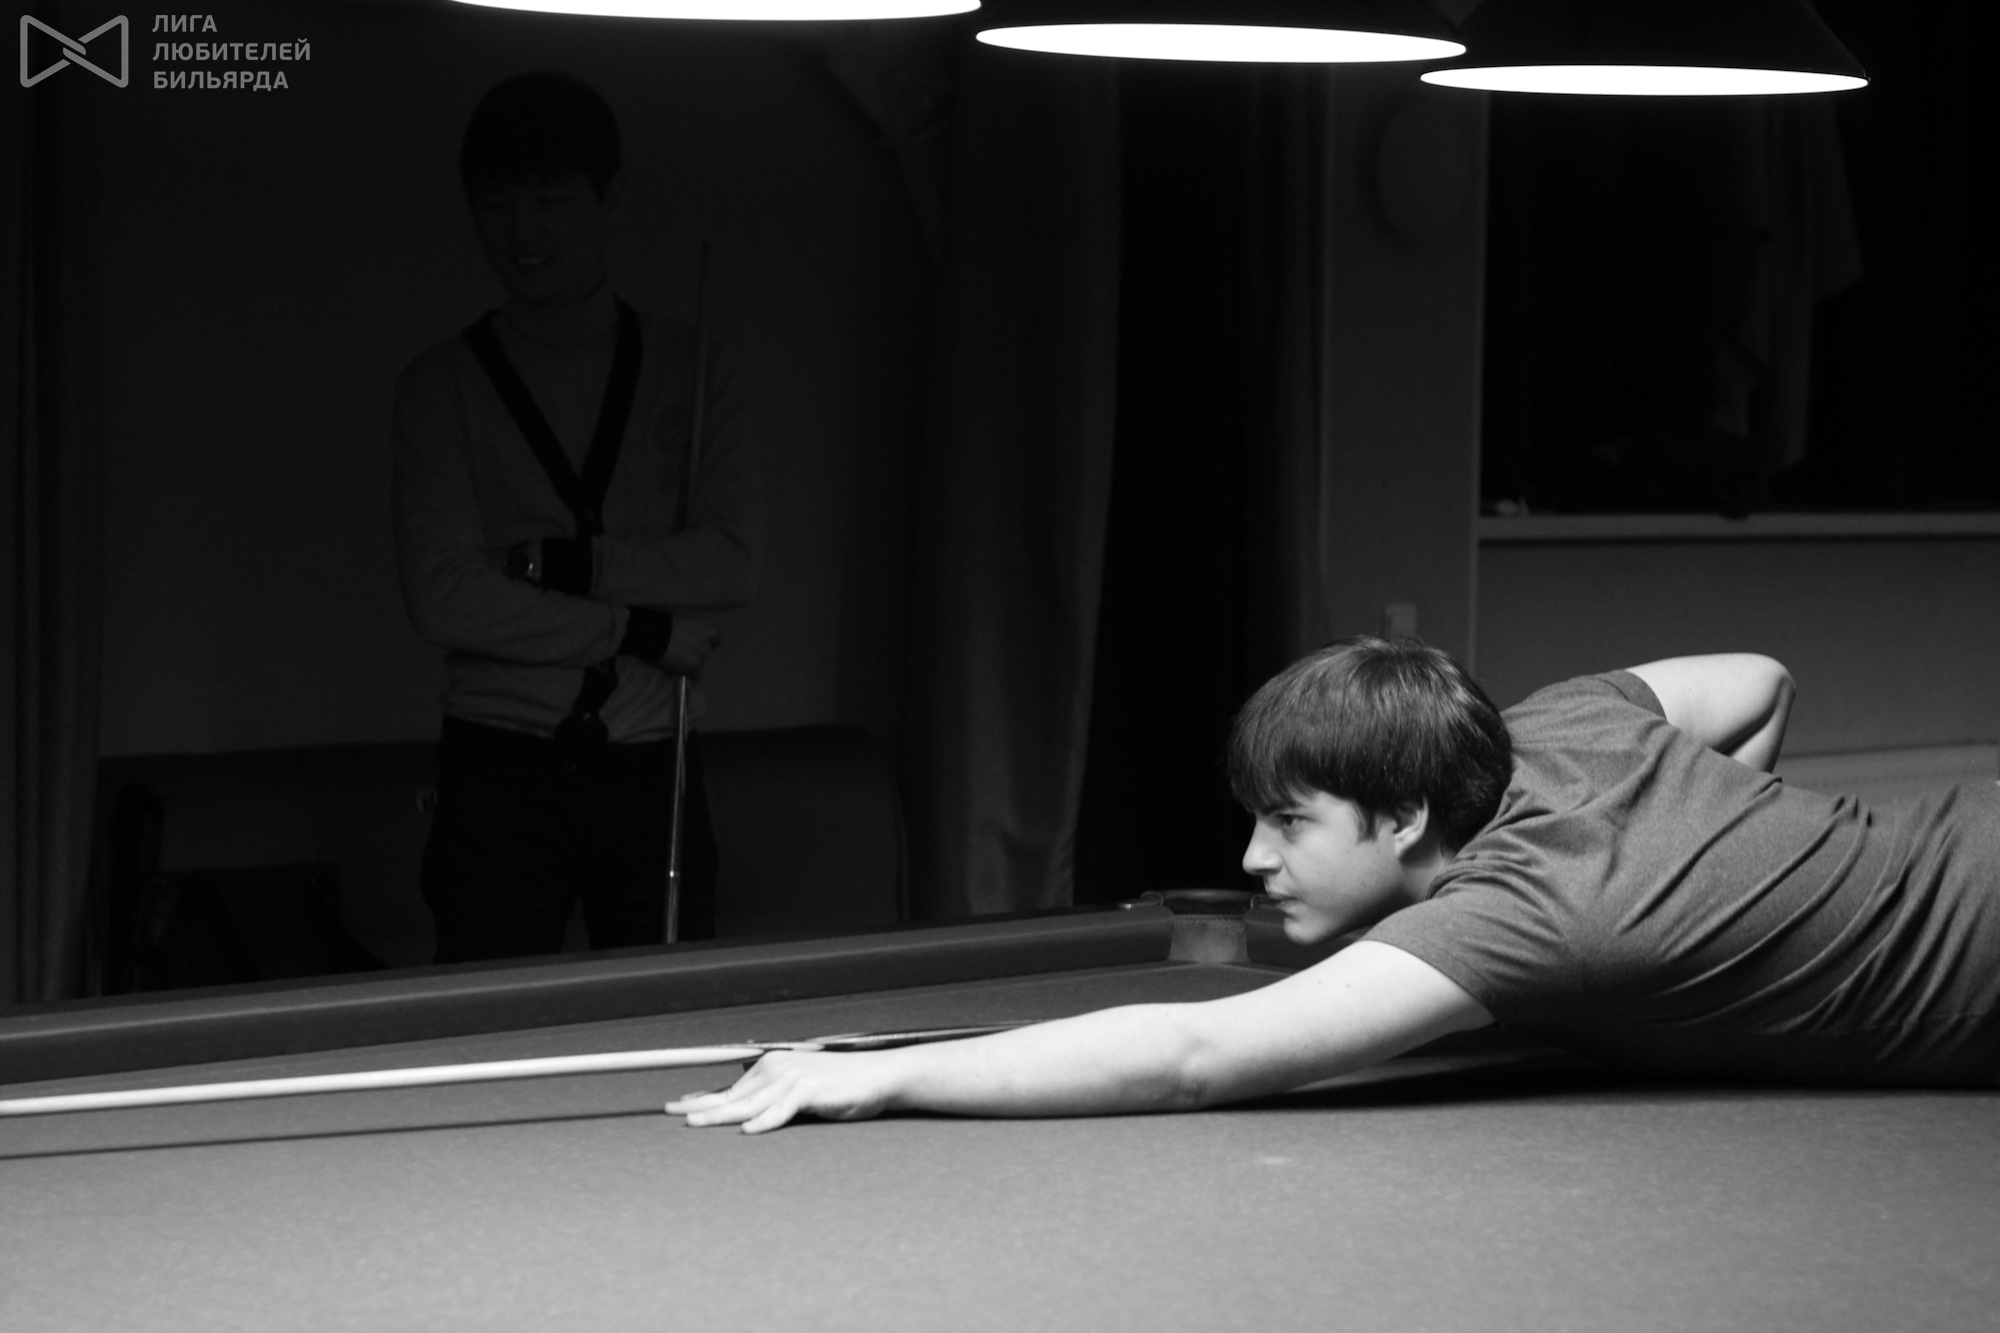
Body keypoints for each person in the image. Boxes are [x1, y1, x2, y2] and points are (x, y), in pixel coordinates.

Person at [669, 638, 2000, 1134]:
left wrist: (883, 1072)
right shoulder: (1553, 726)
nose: (1253, 861)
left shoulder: (1525, 914)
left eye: (1289, 822)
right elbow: (1758, 678)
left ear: (1408, 812)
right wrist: (1724, 870)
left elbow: (1193, 1058)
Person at [394, 71, 764, 962]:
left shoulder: (694, 365)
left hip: (654, 759)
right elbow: (446, 598)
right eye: (496, 205)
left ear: (611, 198)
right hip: (499, 765)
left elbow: (731, 561)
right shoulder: (440, 386)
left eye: (550, 200)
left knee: (669, 1017)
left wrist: (566, 563)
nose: (522, 231)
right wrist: (640, 627)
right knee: (488, 1023)